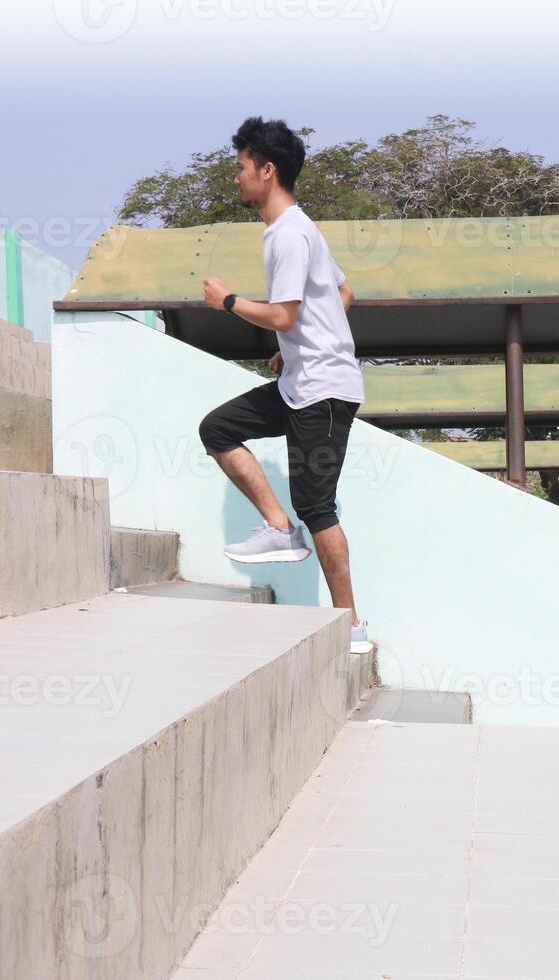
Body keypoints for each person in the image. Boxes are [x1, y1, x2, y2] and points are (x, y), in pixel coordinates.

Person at [198, 116, 372, 655]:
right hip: (302, 380)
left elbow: (282, 313)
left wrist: (227, 301)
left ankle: (353, 628)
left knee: (318, 508)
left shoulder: (290, 234)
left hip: (322, 390)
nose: (236, 177)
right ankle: (278, 525)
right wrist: (291, 346)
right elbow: (342, 294)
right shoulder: (296, 229)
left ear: (266, 170)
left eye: (242, 167)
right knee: (219, 428)